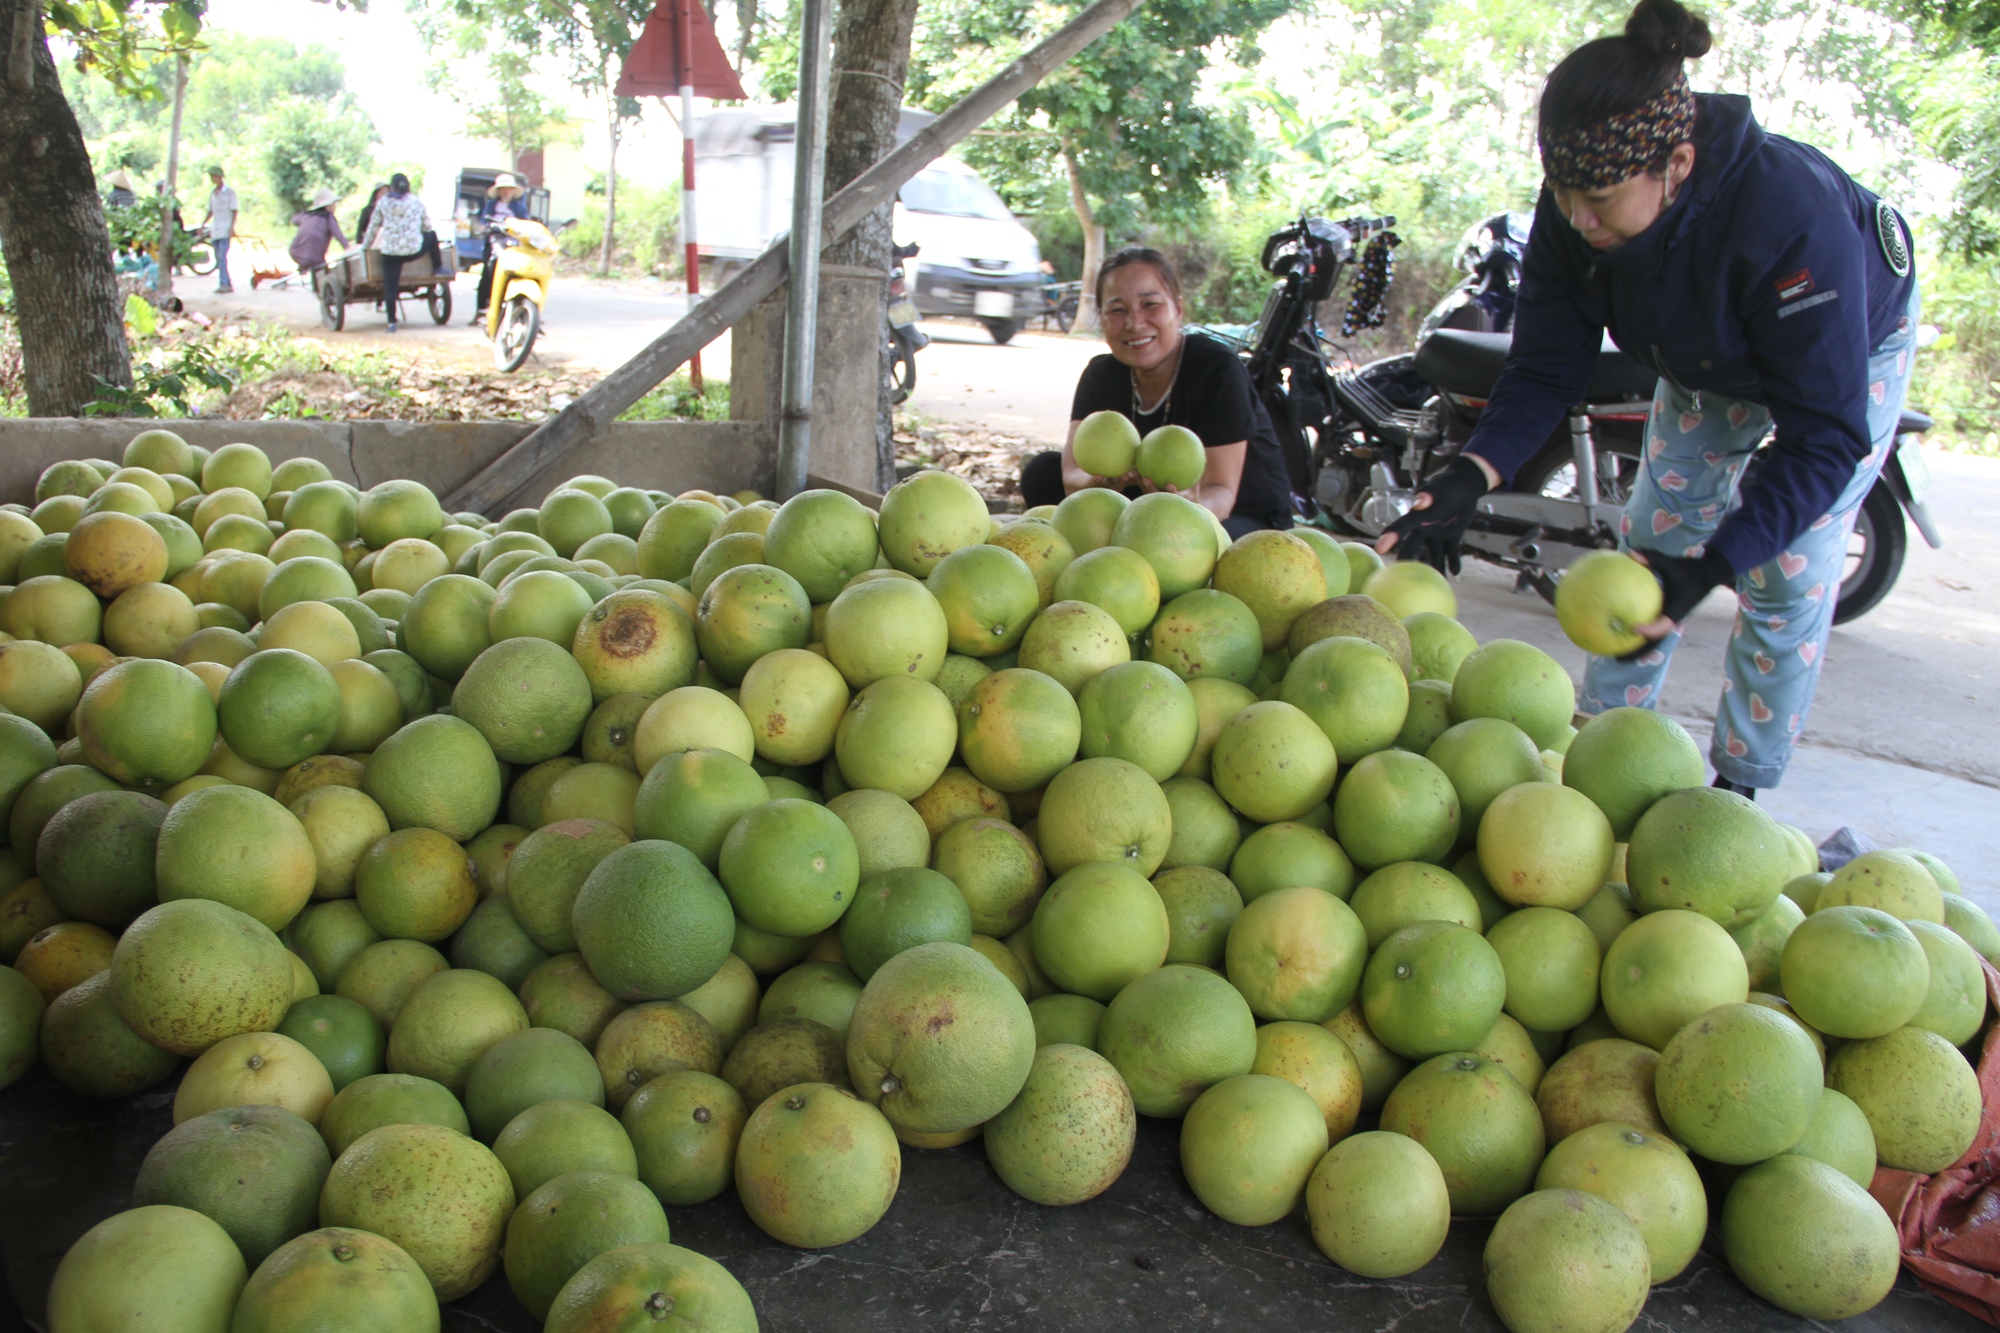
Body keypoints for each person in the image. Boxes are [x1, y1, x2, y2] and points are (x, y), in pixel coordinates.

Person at [1377, 0, 1918, 799]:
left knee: (1785, 570)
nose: (1576, 218)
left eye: (1599, 200)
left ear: (1680, 163)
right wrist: (1469, 476)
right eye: (1564, 195)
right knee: (1652, 540)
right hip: (1708, 358)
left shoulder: (1789, 220)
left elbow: (1823, 441)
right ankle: (1603, 752)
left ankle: (1738, 786)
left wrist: (1721, 563)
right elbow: (1545, 369)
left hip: (1846, 341)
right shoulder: (1576, 204)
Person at [1018, 247, 1296, 535]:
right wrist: (1099, 484)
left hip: (1238, 514)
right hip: (1144, 506)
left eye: (1150, 304)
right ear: (1101, 318)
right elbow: (1071, 476)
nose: (1134, 323)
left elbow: (1221, 492)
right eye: (1117, 309)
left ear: (1178, 308)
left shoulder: (1217, 370)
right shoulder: (1101, 375)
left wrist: (1187, 507)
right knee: (1043, 473)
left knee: (1182, 541)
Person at [360, 173, 432, 334]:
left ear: (391, 187)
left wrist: (365, 247)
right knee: (431, 235)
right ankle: (439, 266)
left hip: (390, 252)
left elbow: (373, 227)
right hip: (413, 251)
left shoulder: (383, 203)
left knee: (390, 287)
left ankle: (391, 322)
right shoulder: (415, 201)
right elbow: (426, 226)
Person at [472, 172, 532, 325]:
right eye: (503, 188)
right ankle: (481, 311)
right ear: (498, 191)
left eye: (509, 188)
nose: (506, 191)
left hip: (515, 245)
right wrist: (486, 227)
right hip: (495, 243)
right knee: (489, 272)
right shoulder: (492, 205)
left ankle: (526, 311)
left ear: (513, 191)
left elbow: (526, 223)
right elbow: (483, 222)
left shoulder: (519, 207)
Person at [289, 188, 349, 274]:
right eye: (333, 204)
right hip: (315, 258)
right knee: (325, 274)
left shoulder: (307, 215)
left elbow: (294, 220)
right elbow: (338, 234)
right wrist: (347, 247)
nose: (335, 206)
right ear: (328, 206)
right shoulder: (328, 218)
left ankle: (304, 266)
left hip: (295, 252)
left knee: (308, 261)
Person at [200, 165, 239, 293]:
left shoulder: (229, 193)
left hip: (225, 228)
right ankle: (226, 282)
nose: (212, 179)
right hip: (215, 229)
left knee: (222, 256)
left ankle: (224, 283)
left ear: (220, 177)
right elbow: (210, 211)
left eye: (214, 177)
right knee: (218, 257)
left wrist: (231, 228)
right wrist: (203, 224)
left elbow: (234, 211)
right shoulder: (213, 193)